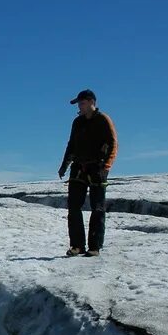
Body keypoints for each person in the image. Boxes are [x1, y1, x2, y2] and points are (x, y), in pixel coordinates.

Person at [57, 89, 118, 257]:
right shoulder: (77, 122)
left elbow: (113, 143)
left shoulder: (103, 120)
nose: (79, 106)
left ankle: (94, 247)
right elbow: (71, 145)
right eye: (79, 104)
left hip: (97, 168)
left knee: (97, 208)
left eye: (82, 103)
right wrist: (64, 165)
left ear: (91, 102)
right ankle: (77, 246)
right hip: (78, 168)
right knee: (74, 207)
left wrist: (106, 166)